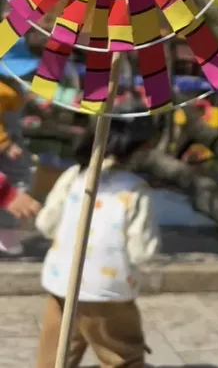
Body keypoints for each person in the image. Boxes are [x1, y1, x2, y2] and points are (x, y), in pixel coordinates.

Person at [34, 116, 160, 368]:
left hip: (62, 282)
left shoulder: (74, 176)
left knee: (56, 356)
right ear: (135, 149)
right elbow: (141, 252)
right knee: (121, 355)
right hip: (108, 291)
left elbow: (45, 224)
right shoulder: (135, 190)